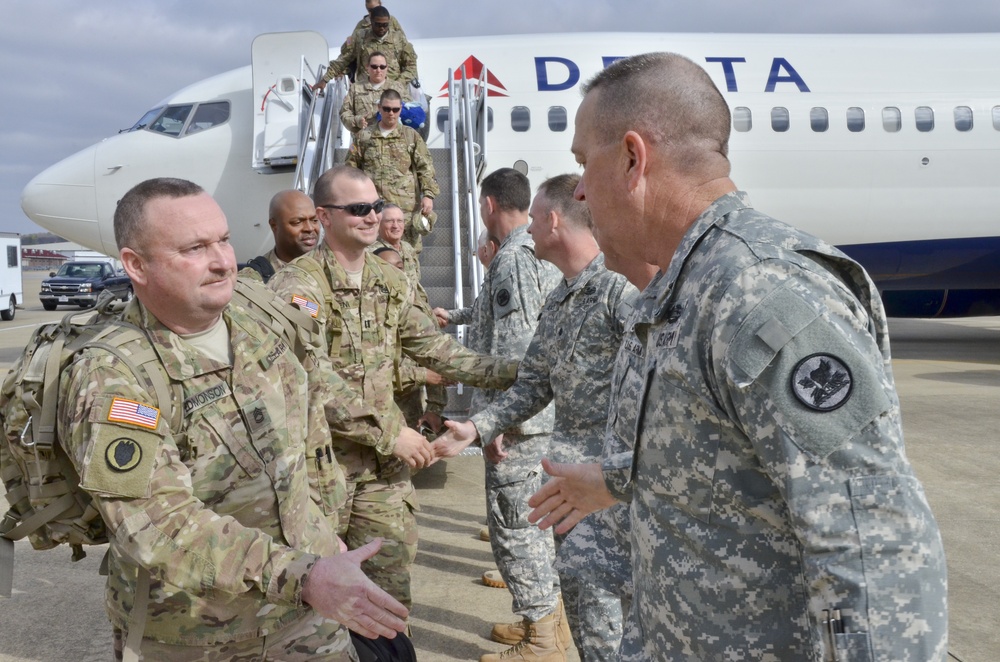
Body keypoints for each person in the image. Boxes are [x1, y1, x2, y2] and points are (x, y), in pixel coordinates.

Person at [528, 53, 949, 661]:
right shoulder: (685, 287)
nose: (583, 191)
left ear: (631, 157)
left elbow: (874, 547)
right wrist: (623, 479)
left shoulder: (762, 293)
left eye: (582, 165)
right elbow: (724, 457)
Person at [57, 177, 408, 660]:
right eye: (194, 248)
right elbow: (157, 524)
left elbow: (311, 434)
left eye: (222, 239)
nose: (223, 260)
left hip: (310, 619)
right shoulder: (111, 375)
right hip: (196, 635)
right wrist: (304, 576)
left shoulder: (256, 319)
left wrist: (328, 536)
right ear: (136, 265)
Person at [268, 165, 518, 612]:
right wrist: (391, 431)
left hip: (382, 477)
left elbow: (436, 350)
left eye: (376, 206)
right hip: (320, 472)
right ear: (324, 217)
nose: (371, 217)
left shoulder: (391, 281)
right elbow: (307, 376)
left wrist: (519, 373)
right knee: (316, 608)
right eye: (359, 208)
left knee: (388, 597)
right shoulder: (298, 286)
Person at [433, 173, 636, 661]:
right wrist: (478, 426)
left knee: (618, 630)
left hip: (614, 494)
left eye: (533, 220)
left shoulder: (619, 292)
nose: (525, 232)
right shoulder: (563, 298)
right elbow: (533, 383)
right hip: (570, 492)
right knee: (588, 624)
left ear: (551, 220)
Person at [444, 167, 565, 655]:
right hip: (533, 418)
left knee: (515, 530)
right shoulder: (533, 255)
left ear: (490, 204)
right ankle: (550, 623)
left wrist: (492, 421)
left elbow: (516, 352)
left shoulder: (513, 260)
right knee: (533, 527)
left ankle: (542, 638)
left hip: (516, 424)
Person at [347, 89, 439, 253]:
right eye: (387, 109)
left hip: (404, 212)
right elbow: (351, 170)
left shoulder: (411, 136)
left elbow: (426, 167)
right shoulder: (363, 137)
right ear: (379, 108)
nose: (391, 113)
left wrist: (428, 195)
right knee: (372, 258)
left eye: (396, 109)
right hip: (373, 211)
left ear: (401, 109)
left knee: (407, 257)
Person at [316, 6, 417, 91]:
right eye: (378, 25)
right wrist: (325, 79)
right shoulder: (360, 37)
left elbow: (411, 66)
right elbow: (344, 59)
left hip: (392, 91)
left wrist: (398, 84)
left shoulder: (399, 39)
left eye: (385, 25)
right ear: (371, 22)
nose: (382, 28)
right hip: (365, 90)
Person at [341, 52, 411, 138]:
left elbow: (409, 111)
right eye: (374, 67)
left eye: (382, 67)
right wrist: (357, 121)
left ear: (387, 68)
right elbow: (344, 112)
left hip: (392, 141)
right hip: (364, 142)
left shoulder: (397, 87)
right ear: (367, 67)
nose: (378, 70)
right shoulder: (356, 88)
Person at [264, 189, 321, 271]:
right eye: (297, 222)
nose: (310, 228)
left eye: (314, 220)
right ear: (274, 225)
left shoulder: (333, 266)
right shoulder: (257, 277)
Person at [375, 202, 421, 283]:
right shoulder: (372, 252)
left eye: (399, 221)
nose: (395, 226)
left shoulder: (408, 248)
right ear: (379, 224)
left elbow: (416, 284)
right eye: (389, 221)